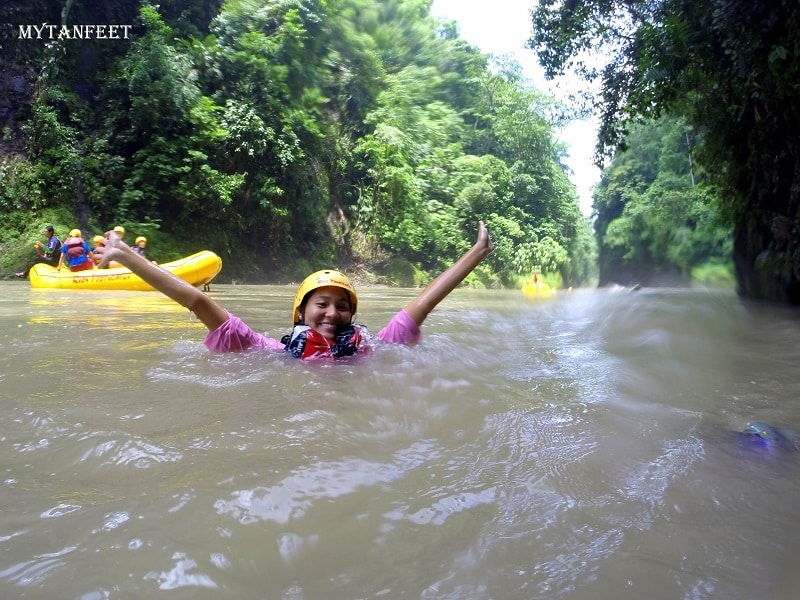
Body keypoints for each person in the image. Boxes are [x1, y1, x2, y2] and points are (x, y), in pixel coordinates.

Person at [95, 221, 494, 359]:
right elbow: (198, 301)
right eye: (321, 304)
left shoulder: (373, 347)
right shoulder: (269, 352)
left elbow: (423, 303)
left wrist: (476, 252)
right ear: (300, 314)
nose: (332, 313)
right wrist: (129, 257)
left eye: (342, 306)